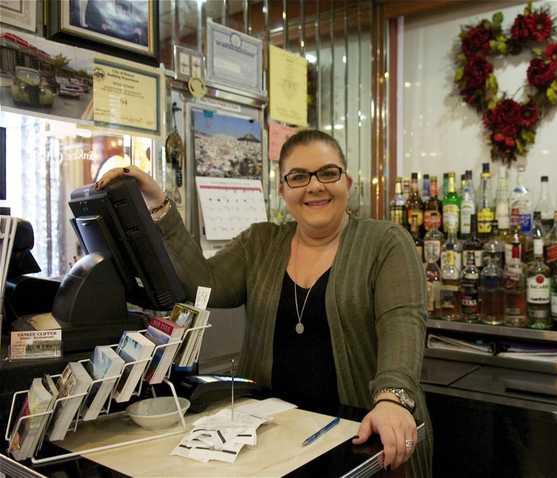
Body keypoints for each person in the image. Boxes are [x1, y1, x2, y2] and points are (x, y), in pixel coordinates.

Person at [97, 130, 432, 475]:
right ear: (283, 190)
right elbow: (202, 284)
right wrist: (158, 204)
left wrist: (393, 398)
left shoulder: (386, 243)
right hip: (277, 443)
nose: (314, 186)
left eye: (328, 173)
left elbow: (402, 323)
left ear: (346, 182)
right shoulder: (260, 243)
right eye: (299, 176)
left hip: (362, 440)